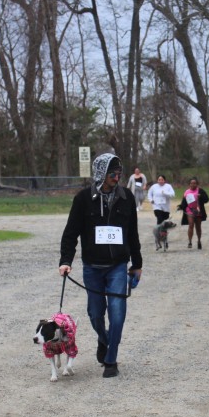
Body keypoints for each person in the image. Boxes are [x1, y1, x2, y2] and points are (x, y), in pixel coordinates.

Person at [59, 153, 142, 378]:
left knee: (117, 313)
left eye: (119, 173)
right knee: (95, 314)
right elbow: (70, 233)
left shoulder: (126, 197)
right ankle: (104, 339)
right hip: (92, 267)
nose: (117, 177)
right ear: (101, 173)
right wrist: (65, 261)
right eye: (112, 173)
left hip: (118, 266)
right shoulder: (83, 199)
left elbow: (132, 234)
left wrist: (137, 264)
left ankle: (111, 360)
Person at [178, 176, 209, 249]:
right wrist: (181, 207)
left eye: (194, 183)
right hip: (189, 210)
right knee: (191, 224)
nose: (193, 184)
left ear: (197, 184)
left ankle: (199, 241)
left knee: (198, 226)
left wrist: (201, 196)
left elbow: (207, 199)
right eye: (191, 183)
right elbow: (184, 202)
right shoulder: (187, 192)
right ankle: (190, 241)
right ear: (189, 184)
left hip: (198, 210)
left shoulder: (200, 191)